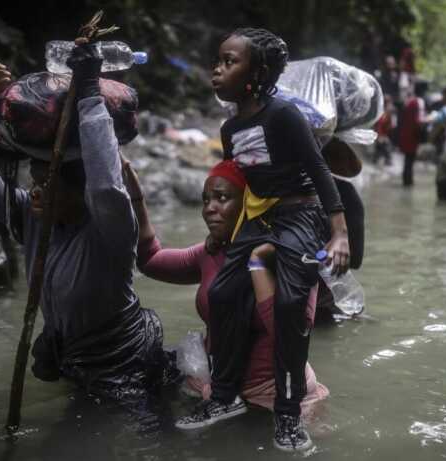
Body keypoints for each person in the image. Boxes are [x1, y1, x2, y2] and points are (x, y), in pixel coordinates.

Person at [0, 50, 173, 408]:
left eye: (49, 182)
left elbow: (107, 186)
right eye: (35, 179)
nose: (37, 189)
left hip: (125, 362)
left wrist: (89, 93)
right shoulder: (32, 216)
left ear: (81, 190)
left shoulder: (110, 230)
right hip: (73, 356)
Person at [175, 28, 350, 452]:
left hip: (302, 215)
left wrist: (339, 231)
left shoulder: (283, 115)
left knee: (291, 305)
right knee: (221, 293)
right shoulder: (230, 128)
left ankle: (288, 416)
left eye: (229, 62)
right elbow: (241, 186)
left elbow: (319, 168)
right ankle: (224, 396)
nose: (217, 69)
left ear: (257, 73)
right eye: (218, 60)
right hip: (262, 218)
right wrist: (222, 231)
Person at [122, 159, 329, 414]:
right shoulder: (211, 252)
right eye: (206, 200)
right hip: (218, 391)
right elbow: (150, 261)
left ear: (249, 204)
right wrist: (136, 199)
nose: (210, 208)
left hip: (274, 397)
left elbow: (291, 333)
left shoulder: (288, 253)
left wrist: (258, 264)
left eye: (221, 198)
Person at [398, 79, 428, 187]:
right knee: (410, 161)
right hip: (412, 136)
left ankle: (406, 183)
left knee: (407, 160)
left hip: (404, 134)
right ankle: (408, 184)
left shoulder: (409, 100)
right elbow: (419, 121)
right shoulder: (419, 102)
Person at [373, 94, 396, 166]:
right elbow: (378, 124)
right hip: (380, 135)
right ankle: (380, 160)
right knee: (383, 147)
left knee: (384, 148)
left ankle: (385, 160)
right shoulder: (381, 112)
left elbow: (391, 125)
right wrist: (379, 135)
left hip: (384, 134)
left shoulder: (388, 113)